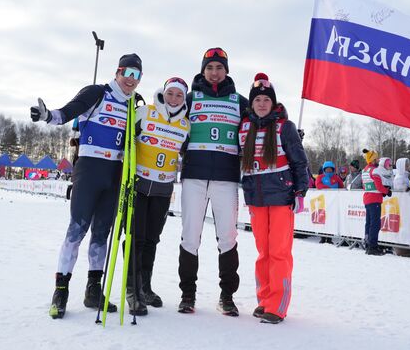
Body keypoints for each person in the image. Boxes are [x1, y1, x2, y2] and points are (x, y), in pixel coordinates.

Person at [30, 53, 143, 319]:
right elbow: (69, 110)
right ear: (118, 72)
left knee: (101, 233)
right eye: (127, 72)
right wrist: (48, 116)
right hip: (90, 169)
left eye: (137, 75)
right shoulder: (98, 93)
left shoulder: (134, 106)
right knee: (77, 230)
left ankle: (93, 291)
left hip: (115, 173)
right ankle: (61, 291)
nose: (131, 79)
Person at [178, 47, 249, 316]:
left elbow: (257, 123)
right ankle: (187, 294)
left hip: (226, 179)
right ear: (203, 70)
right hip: (194, 177)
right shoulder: (190, 98)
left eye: (219, 67)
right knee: (190, 236)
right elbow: (168, 121)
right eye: (210, 68)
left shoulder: (239, 101)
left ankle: (227, 296)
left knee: (228, 237)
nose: (214, 72)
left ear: (226, 70)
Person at [239, 73, 308, 324]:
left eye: (266, 99)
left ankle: (277, 305)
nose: (262, 104)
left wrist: (301, 191)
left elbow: (300, 162)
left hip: (281, 196)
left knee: (279, 252)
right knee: (263, 252)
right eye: (257, 99)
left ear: (273, 102)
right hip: (256, 197)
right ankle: (264, 298)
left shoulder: (285, 127)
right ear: (252, 103)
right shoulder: (244, 126)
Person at [125, 77, 191, 316]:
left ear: (184, 99)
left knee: (152, 239)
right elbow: (125, 140)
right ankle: (132, 289)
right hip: (139, 184)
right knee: (136, 237)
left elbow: (187, 153)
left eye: (179, 95)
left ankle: (145, 286)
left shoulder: (186, 125)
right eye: (171, 93)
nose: (174, 99)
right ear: (164, 94)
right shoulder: (145, 112)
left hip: (163, 189)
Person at [361, 149, 391, 256]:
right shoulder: (375, 170)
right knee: (375, 224)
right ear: (373, 159)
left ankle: (368, 244)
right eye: (377, 158)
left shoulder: (364, 170)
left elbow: (365, 185)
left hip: (367, 198)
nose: (378, 160)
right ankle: (373, 246)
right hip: (375, 199)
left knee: (369, 223)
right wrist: (386, 191)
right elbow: (378, 186)